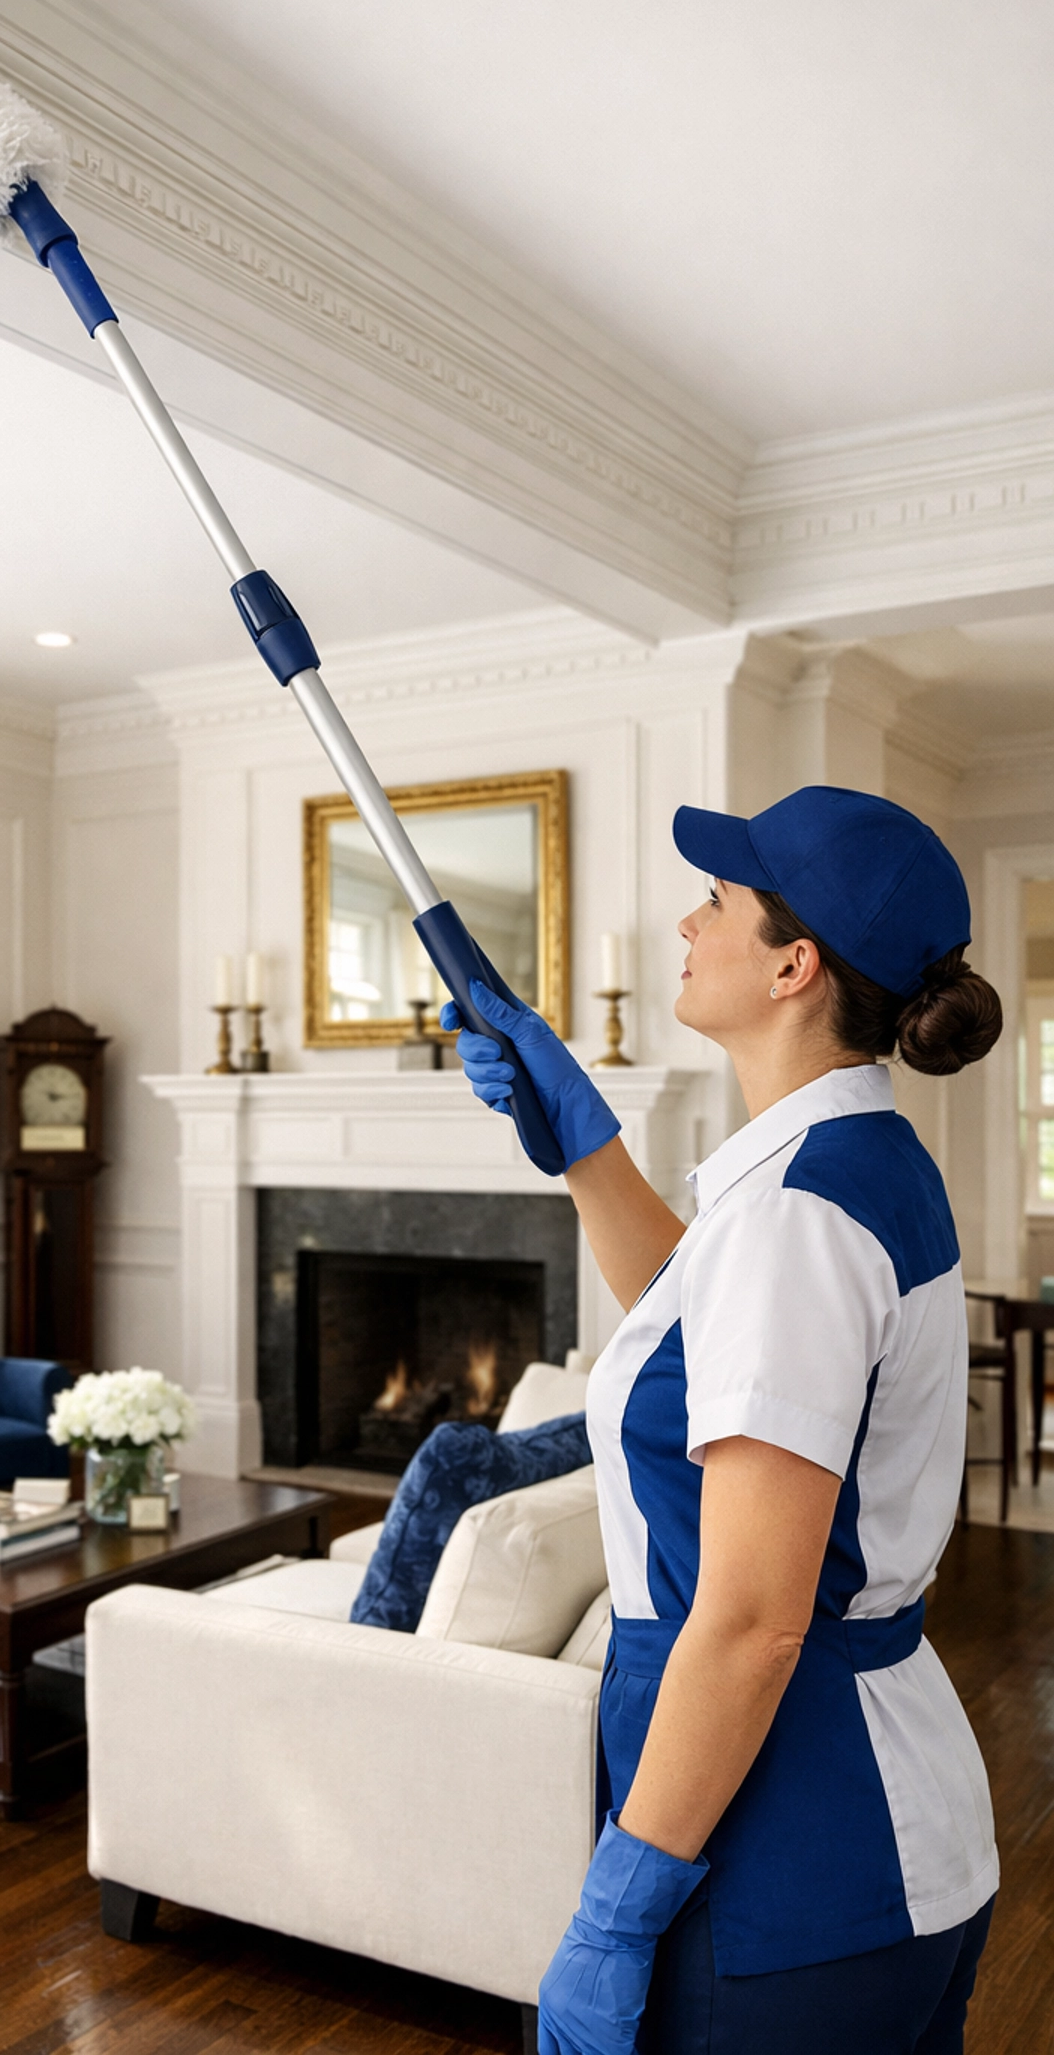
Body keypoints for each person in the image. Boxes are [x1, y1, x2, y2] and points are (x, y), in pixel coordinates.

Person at [441, 786, 1002, 2055]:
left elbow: (750, 1622)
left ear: (795, 965)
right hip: (876, 1829)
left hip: (787, 1858)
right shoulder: (849, 1164)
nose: (685, 923)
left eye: (719, 902)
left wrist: (617, 1916)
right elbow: (715, 1339)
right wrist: (581, 1136)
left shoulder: (798, 1214)